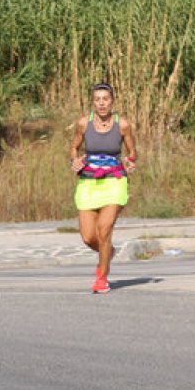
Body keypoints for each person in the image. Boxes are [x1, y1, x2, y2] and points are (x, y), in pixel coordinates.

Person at [68, 82, 138, 294]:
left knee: (104, 230)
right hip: (88, 183)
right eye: (97, 99)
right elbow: (74, 147)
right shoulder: (84, 123)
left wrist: (130, 161)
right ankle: (108, 252)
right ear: (93, 102)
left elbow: (132, 151)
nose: (101, 103)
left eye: (105, 99)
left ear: (112, 101)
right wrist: (74, 160)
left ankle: (102, 277)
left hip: (114, 182)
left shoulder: (122, 125)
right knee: (89, 237)